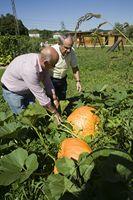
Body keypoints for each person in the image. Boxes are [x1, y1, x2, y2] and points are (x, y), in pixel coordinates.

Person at [1, 47, 61, 125]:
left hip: (27, 89)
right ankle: (27, 135)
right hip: (13, 91)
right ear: (45, 63)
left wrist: (54, 98)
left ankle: (37, 129)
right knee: (23, 118)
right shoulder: (30, 69)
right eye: (53, 65)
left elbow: (47, 81)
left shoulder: (41, 61)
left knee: (33, 114)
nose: (54, 67)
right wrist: (54, 112)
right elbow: (42, 98)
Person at [50, 34, 82, 101]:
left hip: (63, 79)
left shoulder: (72, 51)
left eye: (70, 47)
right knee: (52, 100)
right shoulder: (52, 51)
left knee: (62, 99)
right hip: (51, 80)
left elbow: (75, 68)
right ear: (59, 44)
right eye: (66, 48)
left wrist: (78, 81)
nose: (69, 50)